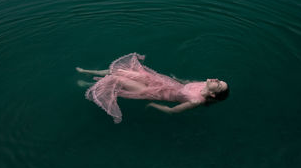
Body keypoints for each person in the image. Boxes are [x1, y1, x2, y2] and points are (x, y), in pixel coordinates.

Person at [76, 53, 229, 123]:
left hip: (153, 92)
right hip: (161, 82)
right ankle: (90, 73)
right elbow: (187, 82)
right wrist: (177, 79)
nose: (216, 79)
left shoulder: (196, 101)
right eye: (220, 80)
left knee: (117, 80)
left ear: (213, 94)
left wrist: (152, 105)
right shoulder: (204, 83)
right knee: (121, 71)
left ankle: (89, 85)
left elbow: (172, 111)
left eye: (219, 84)